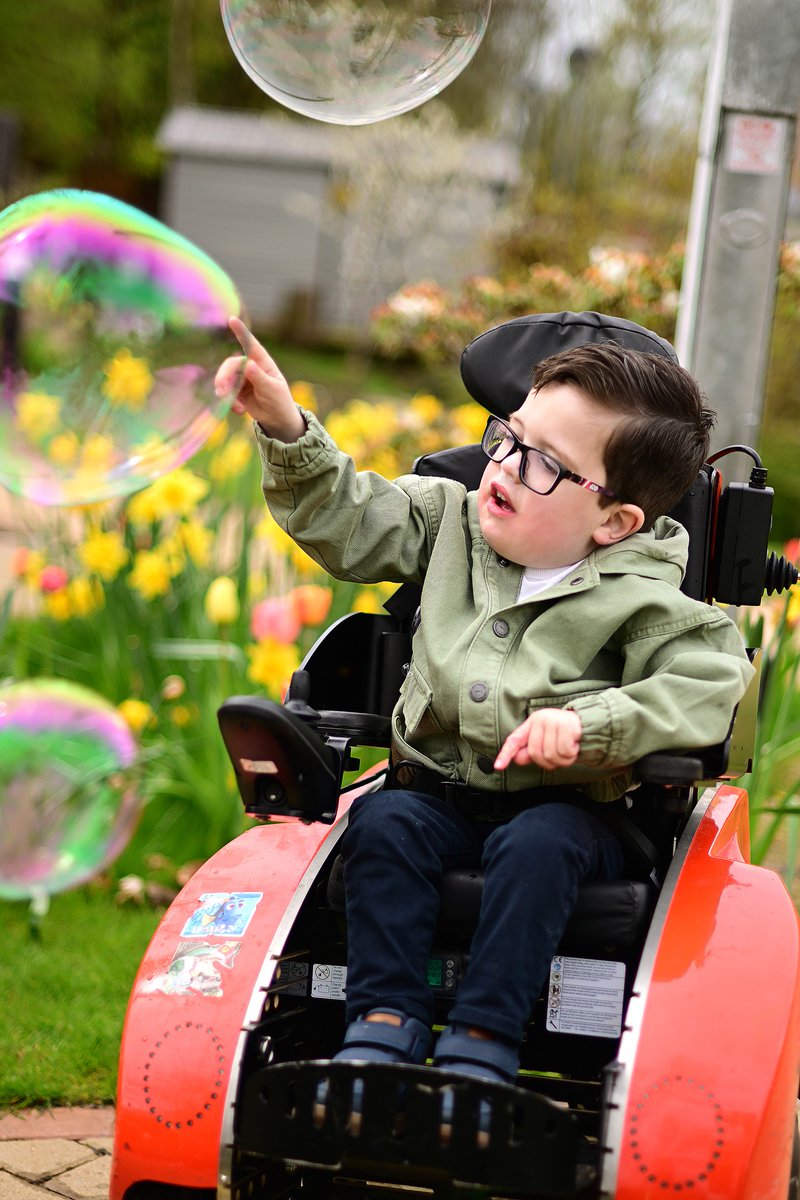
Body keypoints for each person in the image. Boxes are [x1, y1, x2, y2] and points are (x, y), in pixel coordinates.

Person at [216, 316, 754, 1094]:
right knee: (383, 825)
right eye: (508, 438)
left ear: (614, 521)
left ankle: (483, 1036)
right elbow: (350, 517)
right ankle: (382, 1024)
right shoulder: (448, 524)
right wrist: (284, 423)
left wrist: (591, 724)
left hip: (574, 815)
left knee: (539, 846)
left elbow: (708, 680)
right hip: (434, 798)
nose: (502, 466)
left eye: (543, 466)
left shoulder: (645, 596)